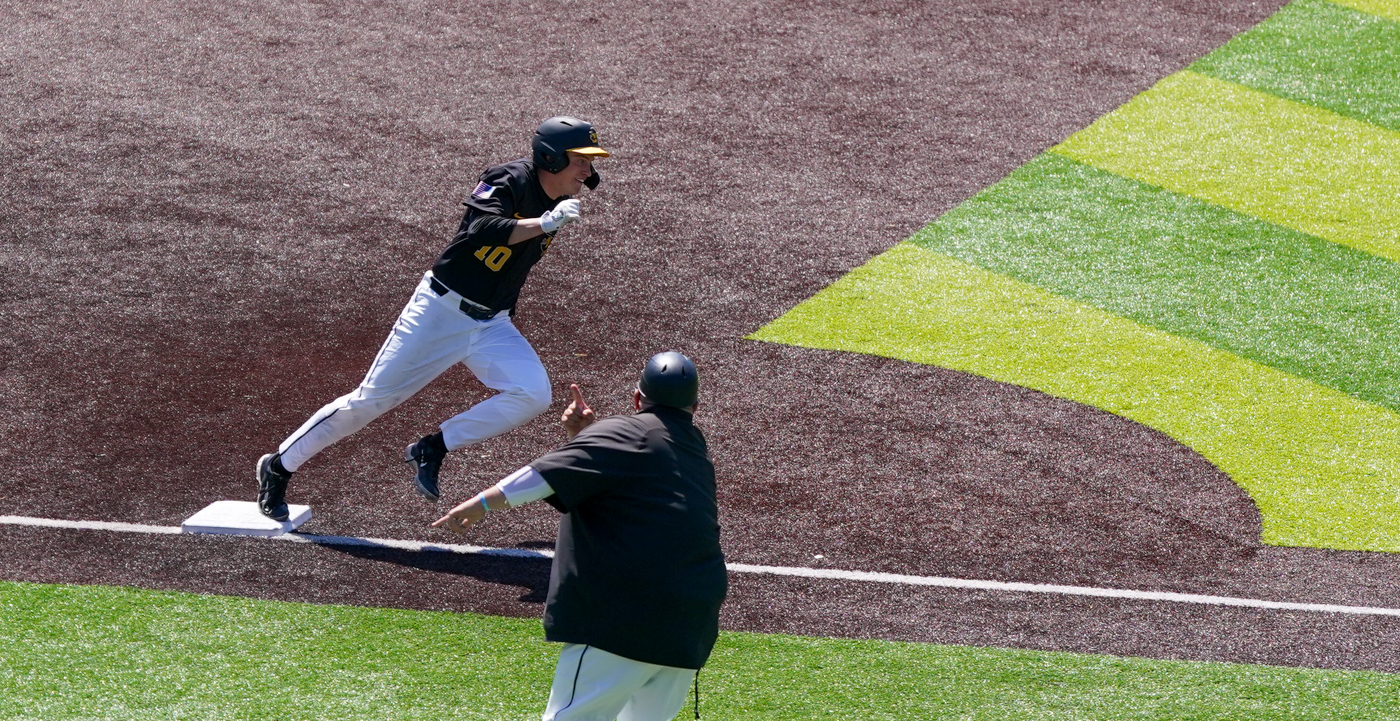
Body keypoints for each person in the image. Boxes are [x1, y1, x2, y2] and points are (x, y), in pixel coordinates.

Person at [255, 117, 609, 521]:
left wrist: (548, 221)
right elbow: (481, 229)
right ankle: (279, 464)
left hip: (491, 324)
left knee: (532, 394)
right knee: (369, 402)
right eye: (581, 160)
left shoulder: (558, 201)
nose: (588, 171)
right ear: (551, 158)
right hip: (440, 313)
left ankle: (433, 447)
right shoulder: (508, 179)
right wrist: (545, 223)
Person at [433, 352, 727, 721]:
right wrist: (583, 438)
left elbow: (543, 476)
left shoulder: (626, 431)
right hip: (691, 624)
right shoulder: (693, 448)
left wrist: (479, 504)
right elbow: (617, 483)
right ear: (694, 407)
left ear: (637, 399)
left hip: (625, 615)